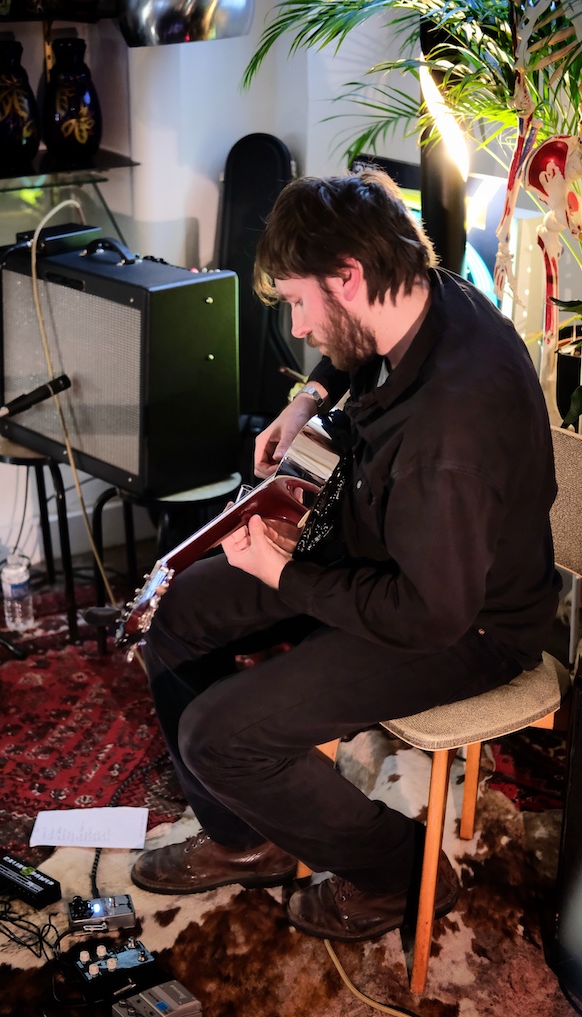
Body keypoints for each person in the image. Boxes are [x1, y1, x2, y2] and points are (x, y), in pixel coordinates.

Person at [129, 167, 560, 943]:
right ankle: (245, 835)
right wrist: (309, 398)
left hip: (466, 626)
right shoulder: (425, 291)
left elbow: (429, 615)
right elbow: (352, 350)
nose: (298, 327)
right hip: (385, 549)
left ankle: (402, 874)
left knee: (219, 736)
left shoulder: (449, 435)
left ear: (348, 276)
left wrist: (284, 574)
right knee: (179, 610)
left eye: (300, 303)